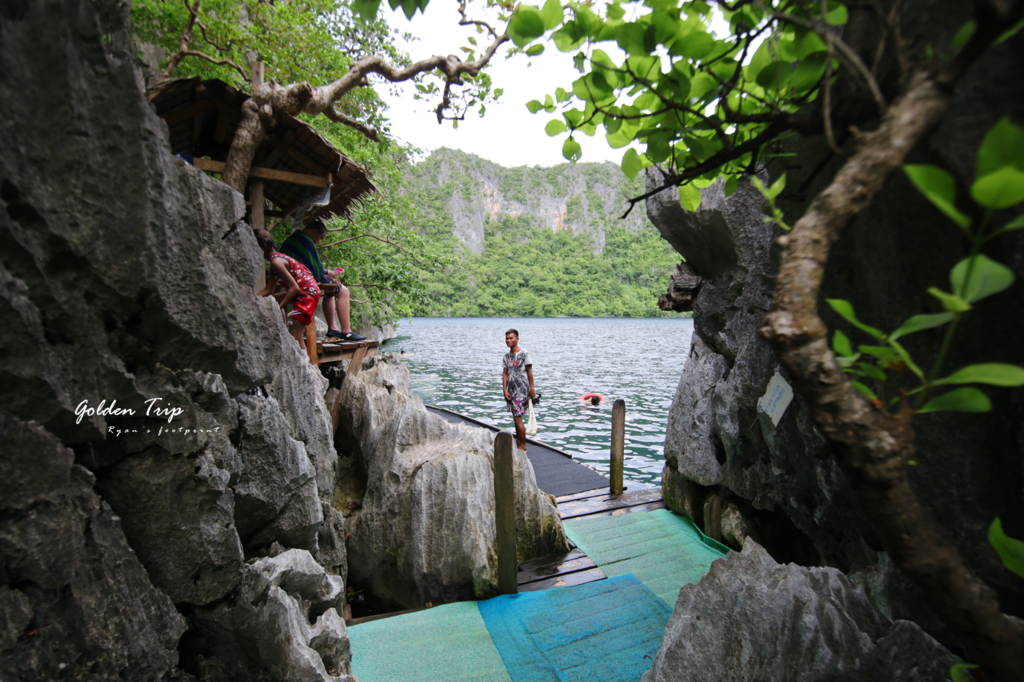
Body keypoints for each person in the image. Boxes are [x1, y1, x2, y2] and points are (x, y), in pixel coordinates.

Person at [279, 220, 366, 342]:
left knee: (330, 291)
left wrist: (325, 272)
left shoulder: (293, 238)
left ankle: (333, 329)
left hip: (288, 278)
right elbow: (312, 268)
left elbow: (305, 263)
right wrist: (324, 275)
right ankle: (346, 331)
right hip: (301, 280)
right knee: (343, 291)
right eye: (320, 238)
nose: (319, 241)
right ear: (314, 231)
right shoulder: (306, 240)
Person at [255, 229, 320, 350]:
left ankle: (307, 367)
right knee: (271, 298)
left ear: (263, 247)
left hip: (306, 293)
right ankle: (306, 366)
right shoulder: (276, 260)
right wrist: (252, 299)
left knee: (296, 335)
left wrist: (278, 307)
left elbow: (294, 288)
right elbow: (268, 290)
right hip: (304, 291)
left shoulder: (276, 262)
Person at [502, 329, 535, 453]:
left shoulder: (524, 353)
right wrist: (505, 390)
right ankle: (518, 442)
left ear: (517, 339)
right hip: (511, 390)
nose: (508, 340)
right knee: (515, 417)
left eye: (511, 338)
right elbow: (505, 374)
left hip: (522, 390)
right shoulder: (506, 356)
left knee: (518, 417)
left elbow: (529, 373)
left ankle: (523, 446)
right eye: (507, 338)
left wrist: (532, 389)